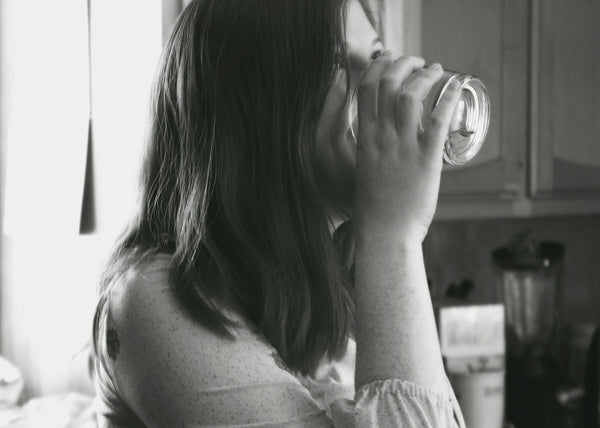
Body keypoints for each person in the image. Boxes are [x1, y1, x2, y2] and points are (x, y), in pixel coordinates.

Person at [91, 0, 466, 426]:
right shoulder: (153, 300)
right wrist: (394, 235)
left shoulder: (337, 286)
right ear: (253, 108)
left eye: (376, 56)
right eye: (337, 62)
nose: (379, 88)